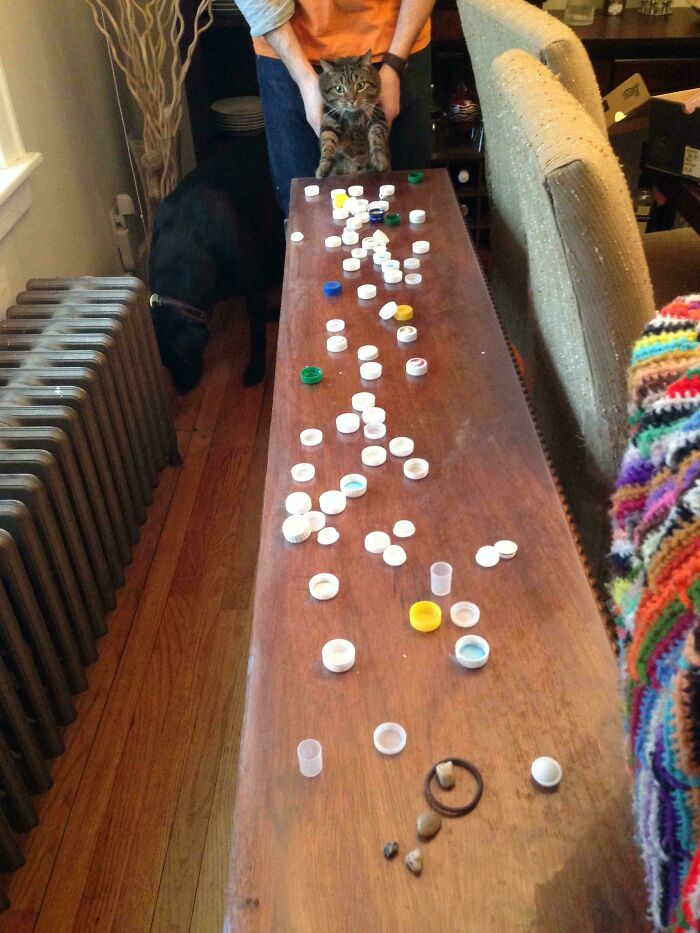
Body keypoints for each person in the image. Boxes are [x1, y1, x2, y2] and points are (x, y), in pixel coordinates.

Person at [235, 0, 437, 215]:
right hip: (288, 46)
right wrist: (304, 79)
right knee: (308, 216)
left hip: (397, 40)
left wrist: (395, 64)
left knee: (407, 210)